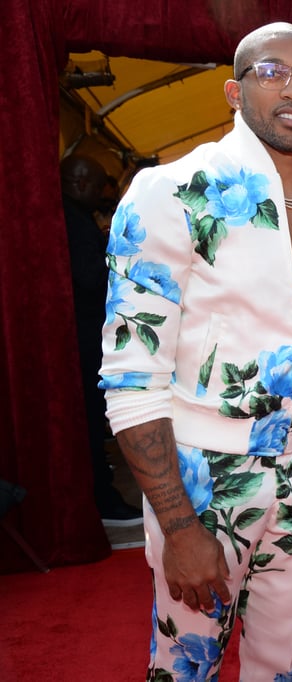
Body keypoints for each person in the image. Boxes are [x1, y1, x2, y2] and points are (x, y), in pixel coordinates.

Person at [98, 22, 292, 679]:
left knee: (284, 665)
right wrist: (179, 526)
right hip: (203, 482)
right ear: (236, 92)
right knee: (185, 665)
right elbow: (131, 378)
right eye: (272, 72)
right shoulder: (170, 195)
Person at [61, 153, 143, 526]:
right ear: (79, 183)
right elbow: (91, 278)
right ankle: (103, 499)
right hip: (83, 335)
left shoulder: (74, 219)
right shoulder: (74, 224)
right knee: (92, 419)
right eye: (97, 186)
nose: (101, 194)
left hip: (83, 332)